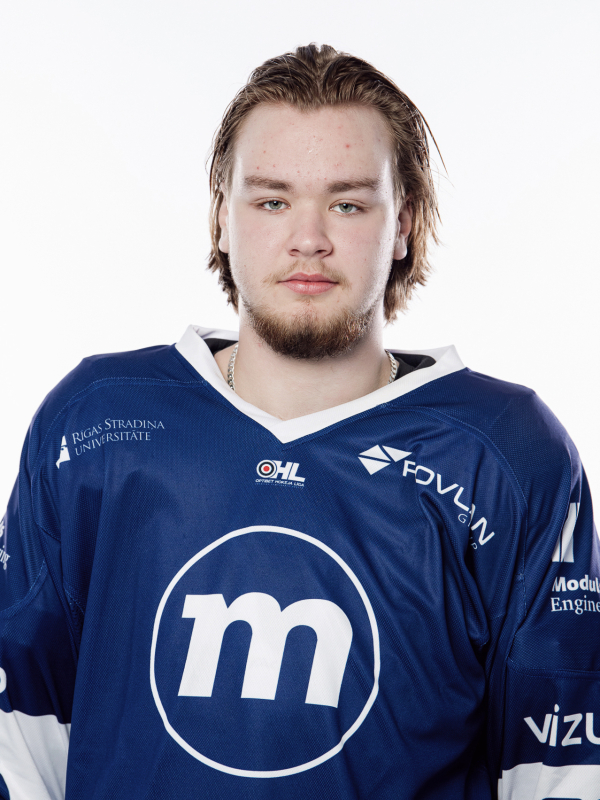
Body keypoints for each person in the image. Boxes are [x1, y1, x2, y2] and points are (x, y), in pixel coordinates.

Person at [0, 43, 598, 800]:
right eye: (272, 201)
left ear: (404, 223)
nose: (309, 238)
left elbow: (561, 769)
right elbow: (21, 742)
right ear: (222, 218)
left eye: (348, 204)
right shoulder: (96, 423)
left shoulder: (506, 452)